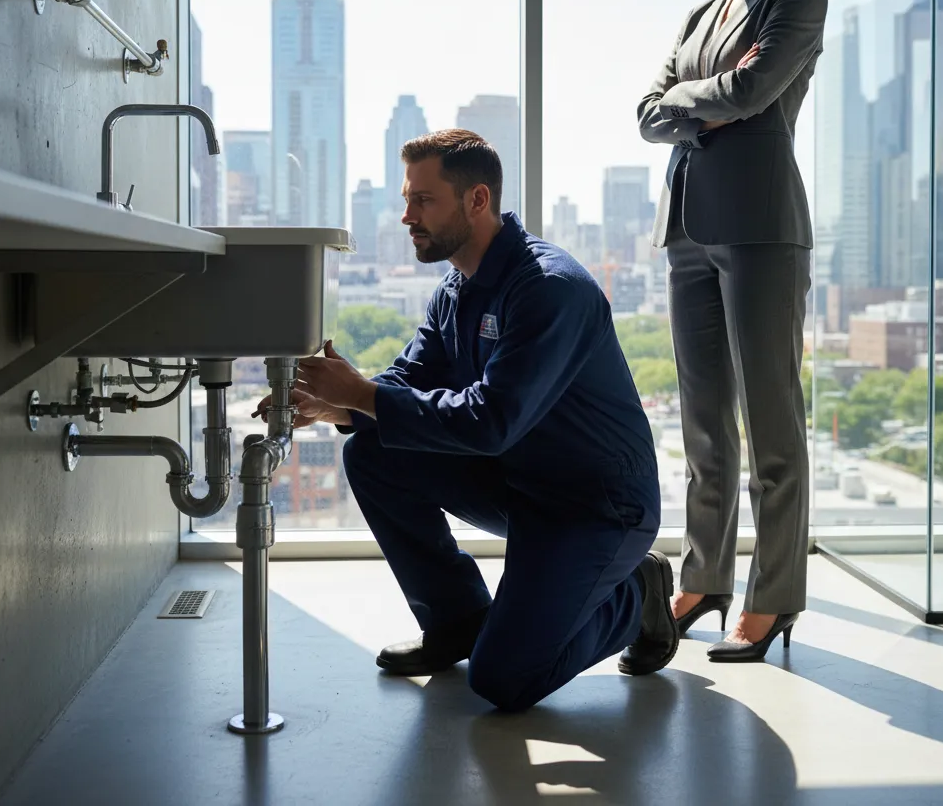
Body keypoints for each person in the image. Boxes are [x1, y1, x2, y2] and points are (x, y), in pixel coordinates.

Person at [259, 129, 677, 712]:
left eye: (423, 200)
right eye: (407, 200)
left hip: (595, 506)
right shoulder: (454, 290)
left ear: (477, 200)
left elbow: (491, 421)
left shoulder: (549, 290)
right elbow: (407, 383)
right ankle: (457, 623)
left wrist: (362, 394)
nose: (407, 216)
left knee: (504, 680)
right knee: (372, 452)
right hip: (518, 484)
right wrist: (344, 407)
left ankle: (635, 595)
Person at [638, 0, 827, 661]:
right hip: (687, 229)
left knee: (772, 424)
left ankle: (774, 595)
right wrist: (699, 107)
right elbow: (648, 113)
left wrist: (695, 102)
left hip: (760, 229)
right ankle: (706, 577)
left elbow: (753, 95)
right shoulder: (697, 16)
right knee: (704, 422)